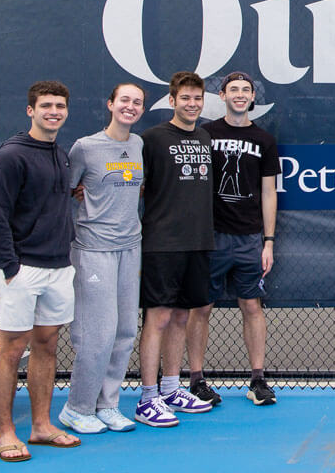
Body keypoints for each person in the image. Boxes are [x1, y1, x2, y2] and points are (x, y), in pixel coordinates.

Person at [0, 80, 81, 461]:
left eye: (60, 106)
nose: (53, 111)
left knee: (47, 345)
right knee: (12, 349)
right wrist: (10, 267)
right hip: (21, 268)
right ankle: (4, 434)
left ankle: (40, 426)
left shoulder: (60, 155)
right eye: (46, 106)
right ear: (31, 110)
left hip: (59, 267)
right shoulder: (11, 156)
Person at [57, 83, 146, 435]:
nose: (130, 106)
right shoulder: (86, 147)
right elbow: (64, 189)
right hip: (93, 250)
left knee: (125, 331)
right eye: (124, 100)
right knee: (98, 333)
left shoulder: (138, 145)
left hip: (131, 247)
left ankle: (107, 404)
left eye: (137, 102)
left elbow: (136, 187)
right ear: (110, 104)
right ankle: (76, 408)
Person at [187, 72, 280, 406]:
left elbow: (269, 193)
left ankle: (258, 379)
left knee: (252, 306)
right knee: (201, 308)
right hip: (211, 238)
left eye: (246, 90)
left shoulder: (264, 140)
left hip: (249, 239)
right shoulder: (204, 134)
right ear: (222, 95)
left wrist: (268, 241)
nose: (240, 95)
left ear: (253, 97)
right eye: (234, 90)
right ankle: (196, 380)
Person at [134, 71, 216, 428]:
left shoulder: (203, 136)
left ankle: (171, 387)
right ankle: (147, 397)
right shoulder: (151, 139)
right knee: (159, 318)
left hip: (197, 242)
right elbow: (133, 185)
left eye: (197, 98)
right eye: (185, 98)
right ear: (172, 100)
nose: (192, 104)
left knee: (182, 316)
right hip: (161, 244)